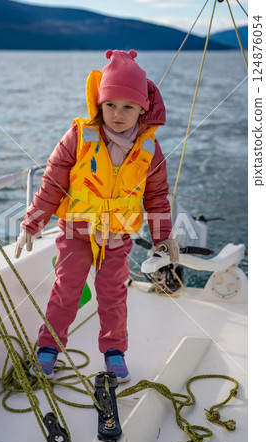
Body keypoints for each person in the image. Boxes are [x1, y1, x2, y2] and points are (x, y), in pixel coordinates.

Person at [15, 49, 179, 383]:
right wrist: (32, 223)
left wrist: (163, 239)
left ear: (142, 109)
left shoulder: (151, 150)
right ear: (99, 104)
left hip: (116, 236)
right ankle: (48, 347)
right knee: (66, 291)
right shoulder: (78, 137)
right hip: (76, 230)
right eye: (111, 105)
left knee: (114, 296)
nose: (118, 114)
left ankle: (114, 352)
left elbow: (157, 198)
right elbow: (52, 183)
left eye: (128, 106)